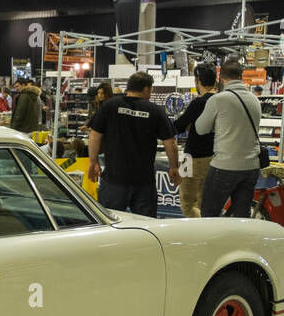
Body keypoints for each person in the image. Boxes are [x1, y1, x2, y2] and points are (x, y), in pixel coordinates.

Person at [87, 72, 180, 217]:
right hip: (143, 182)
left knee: (109, 224)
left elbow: (94, 135)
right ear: (147, 89)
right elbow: (170, 142)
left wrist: (93, 161)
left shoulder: (109, 106)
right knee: (145, 227)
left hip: (114, 179)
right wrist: (174, 166)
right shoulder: (155, 111)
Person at [194, 60, 261, 218]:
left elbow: (200, 129)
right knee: (241, 215)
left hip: (225, 166)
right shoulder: (254, 100)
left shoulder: (218, 99)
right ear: (241, 76)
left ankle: (213, 243)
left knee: (209, 213)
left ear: (221, 77)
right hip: (251, 166)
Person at [171, 65, 218, 217]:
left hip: (192, 157)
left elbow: (178, 126)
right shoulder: (221, 101)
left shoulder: (198, 103)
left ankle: (200, 232)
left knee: (187, 203)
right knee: (204, 201)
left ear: (196, 80)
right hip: (215, 156)